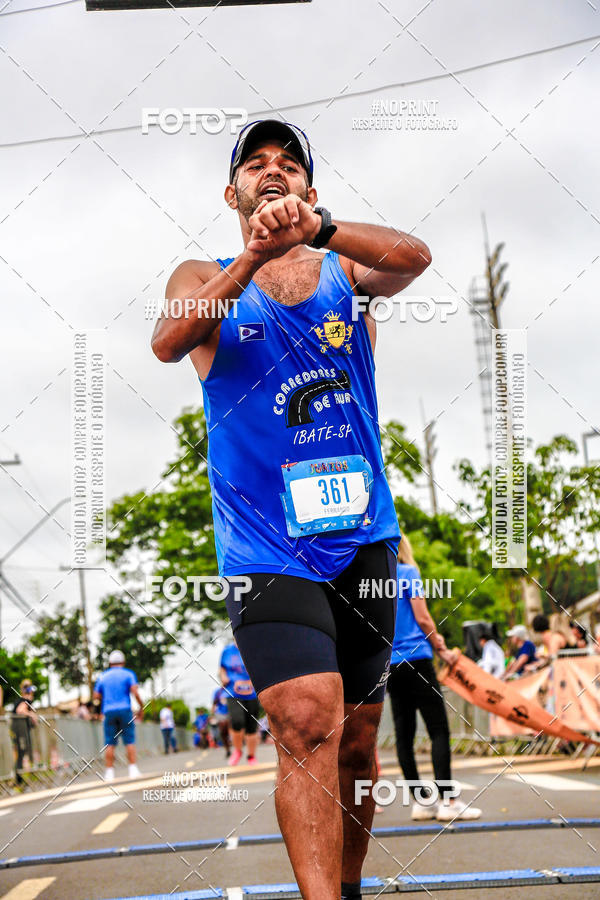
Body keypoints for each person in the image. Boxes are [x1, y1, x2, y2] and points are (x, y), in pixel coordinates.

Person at [151, 117, 431, 900]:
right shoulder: (202, 274)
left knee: (359, 744)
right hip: (267, 549)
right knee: (308, 721)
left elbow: (415, 257)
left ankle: (348, 886)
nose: (271, 170)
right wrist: (252, 256)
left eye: (288, 163)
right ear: (233, 193)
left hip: (362, 539)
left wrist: (320, 230)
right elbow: (169, 340)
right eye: (255, 163)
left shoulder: (346, 266)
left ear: (309, 186)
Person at [387, 535, 482, 822]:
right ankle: (448, 801)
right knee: (438, 729)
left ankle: (422, 802)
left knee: (404, 735)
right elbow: (423, 618)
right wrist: (441, 648)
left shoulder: (375, 581)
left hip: (391, 664)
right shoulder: (407, 572)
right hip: (417, 658)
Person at [93, 650, 143, 781]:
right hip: (125, 710)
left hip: (108, 711)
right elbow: (135, 692)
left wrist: (106, 697)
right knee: (129, 740)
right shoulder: (128, 674)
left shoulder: (103, 676)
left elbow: (96, 695)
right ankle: (133, 769)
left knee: (110, 742)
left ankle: (109, 773)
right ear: (123, 662)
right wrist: (141, 706)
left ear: (110, 663)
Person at [219, 640, 259, 766]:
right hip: (233, 692)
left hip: (252, 692)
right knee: (237, 721)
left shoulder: (253, 648)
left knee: (251, 726)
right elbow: (222, 668)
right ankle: (237, 751)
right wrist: (223, 677)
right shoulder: (227, 651)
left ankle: (251, 756)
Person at [10, 680, 38, 785]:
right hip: (19, 730)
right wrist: (32, 715)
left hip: (20, 729)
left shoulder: (23, 700)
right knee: (21, 752)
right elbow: (20, 710)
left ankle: (20, 778)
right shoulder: (25, 700)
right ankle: (18, 779)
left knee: (22, 752)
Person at [211, 685, 231, 756]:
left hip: (230, 712)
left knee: (231, 729)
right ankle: (227, 749)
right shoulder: (217, 691)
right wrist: (212, 713)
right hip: (220, 713)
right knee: (223, 731)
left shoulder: (231, 689)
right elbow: (214, 703)